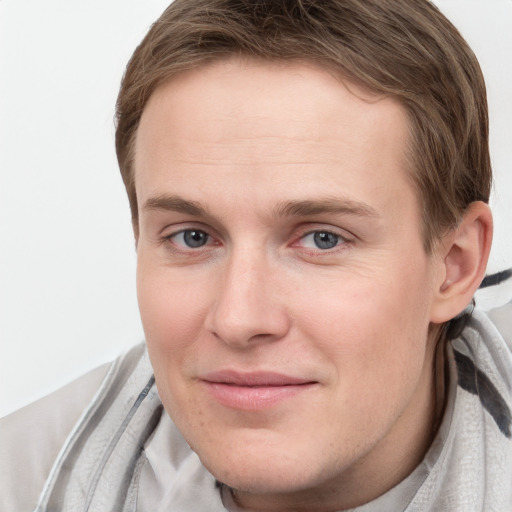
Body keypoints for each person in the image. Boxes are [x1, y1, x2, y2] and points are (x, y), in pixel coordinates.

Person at [1, 0, 511, 510]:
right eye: (192, 237)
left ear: (454, 266)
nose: (239, 319)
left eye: (322, 239)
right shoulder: (25, 486)